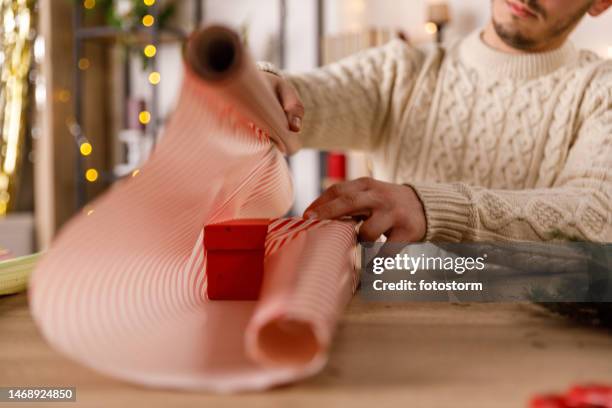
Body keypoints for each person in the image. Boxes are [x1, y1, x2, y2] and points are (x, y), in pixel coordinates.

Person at [259, 0, 612, 244]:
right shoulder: (401, 69)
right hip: (393, 322)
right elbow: (304, 99)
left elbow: (597, 215)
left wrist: (434, 208)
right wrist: (265, 84)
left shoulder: (601, 90)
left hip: (537, 339)